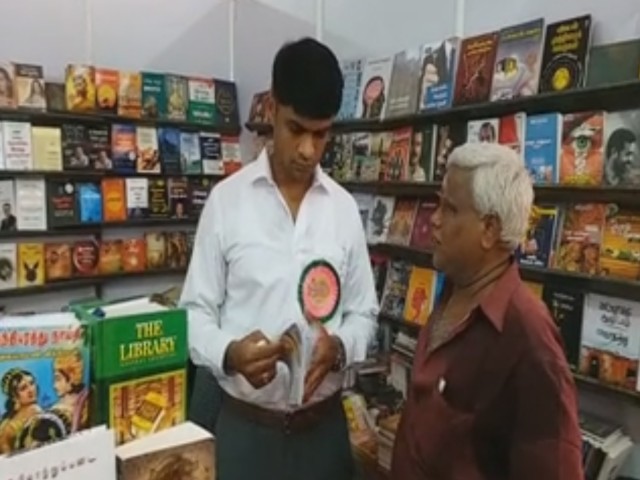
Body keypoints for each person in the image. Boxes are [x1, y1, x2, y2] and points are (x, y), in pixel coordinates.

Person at [180, 37, 378, 480]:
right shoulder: (226, 202)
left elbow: (366, 313)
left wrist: (341, 347)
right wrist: (229, 354)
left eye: (321, 134)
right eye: (296, 129)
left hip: (323, 432)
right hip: (246, 433)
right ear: (271, 109)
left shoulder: (344, 209)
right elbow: (193, 312)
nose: (308, 150)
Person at [391, 143, 583, 480]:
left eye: (449, 209)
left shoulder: (528, 336)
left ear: (490, 230)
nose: (433, 220)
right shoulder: (454, 290)